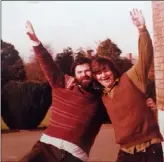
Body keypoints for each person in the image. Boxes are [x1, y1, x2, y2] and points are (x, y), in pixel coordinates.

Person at [19, 21, 106, 162]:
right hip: (46, 147)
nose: (84, 74)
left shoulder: (101, 98)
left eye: (87, 71)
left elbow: (122, 105)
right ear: (74, 74)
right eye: (80, 72)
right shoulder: (62, 84)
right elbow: (47, 64)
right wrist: (35, 42)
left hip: (75, 155)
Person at [91, 9, 163, 162]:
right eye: (98, 73)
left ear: (112, 70)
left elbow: (145, 57)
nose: (103, 75)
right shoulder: (103, 95)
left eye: (105, 70)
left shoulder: (130, 78)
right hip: (126, 150)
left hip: (149, 147)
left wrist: (142, 30)